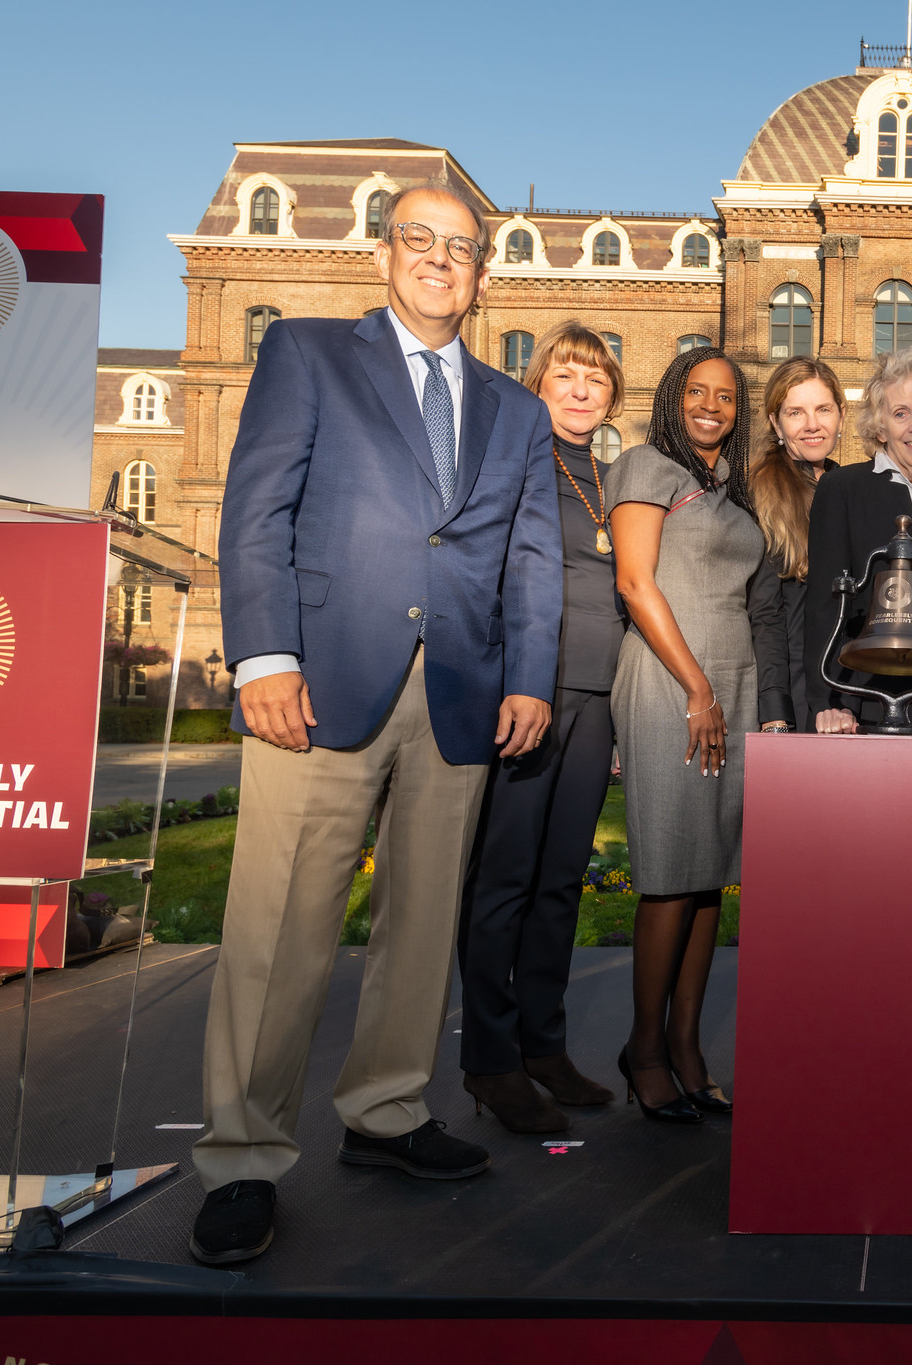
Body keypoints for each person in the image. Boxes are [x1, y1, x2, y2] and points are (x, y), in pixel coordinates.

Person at [195, 183, 561, 1265]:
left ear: (484, 274)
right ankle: (242, 1157)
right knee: (278, 928)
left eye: (461, 248)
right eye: (420, 240)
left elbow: (532, 560)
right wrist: (264, 654)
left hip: (457, 692)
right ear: (383, 256)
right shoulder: (309, 355)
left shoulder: (517, 410)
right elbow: (255, 506)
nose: (441, 260)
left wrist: (529, 678)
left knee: (420, 925)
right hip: (319, 683)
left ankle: (387, 1113)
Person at [456, 322, 627, 1134]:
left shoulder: (614, 477)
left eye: (596, 378)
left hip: (599, 697)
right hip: (533, 691)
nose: (582, 389)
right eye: (567, 374)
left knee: (562, 882)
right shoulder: (515, 461)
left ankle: (544, 1046)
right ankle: (490, 1061)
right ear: (540, 383)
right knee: (506, 879)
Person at [608, 346, 779, 1123]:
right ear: (674, 395)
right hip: (675, 684)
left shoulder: (725, 485)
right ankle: (643, 1048)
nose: (712, 404)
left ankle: (686, 1046)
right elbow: (636, 583)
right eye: (698, 391)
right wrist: (698, 687)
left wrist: (724, 688)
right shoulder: (648, 466)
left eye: (727, 396)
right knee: (672, 868)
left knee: (710, 876)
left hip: (731, 685)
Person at [807, 346, 912, 736]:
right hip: (853, 699)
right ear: (880, 426)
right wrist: (826, 702)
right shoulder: (842, 488)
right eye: (901, 413)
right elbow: (823, 603)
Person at [748, 356, 846, 734]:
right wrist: (776, 713)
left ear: (841, 413)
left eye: (823, 409)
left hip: (853, 691)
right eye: (795, 413)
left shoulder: (854, 488)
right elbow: (766, 615)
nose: (812, 425)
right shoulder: (762, 493)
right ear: (775, 422)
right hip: (797, 693)